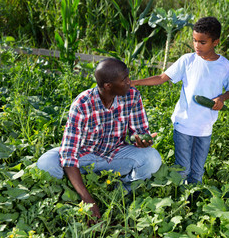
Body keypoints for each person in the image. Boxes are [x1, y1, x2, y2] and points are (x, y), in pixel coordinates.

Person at [37, 58, 162, 220]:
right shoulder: (82, 104)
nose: (129, 82)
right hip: (84, 156)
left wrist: (140, 140)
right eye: (124, 79)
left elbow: (138, 131)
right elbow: (69, 153)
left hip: (115, 155)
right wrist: (87, 199)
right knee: (46, 163)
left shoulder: (132, 95)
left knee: (153, 158)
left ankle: (123, 190)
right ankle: (77, 189)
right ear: (108, 86)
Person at [131, 16, 229, 184]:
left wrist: (222, 98)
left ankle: (193, 203)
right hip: (183, 125)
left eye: (202, 42)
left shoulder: (225, 66)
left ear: (215, 42)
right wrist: (135, 82)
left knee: (198, 171)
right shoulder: (187, 60)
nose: (196, 45)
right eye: (194, 40)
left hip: (205, 127)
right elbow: (161, 77)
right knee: (183, 169)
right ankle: (179, 201)